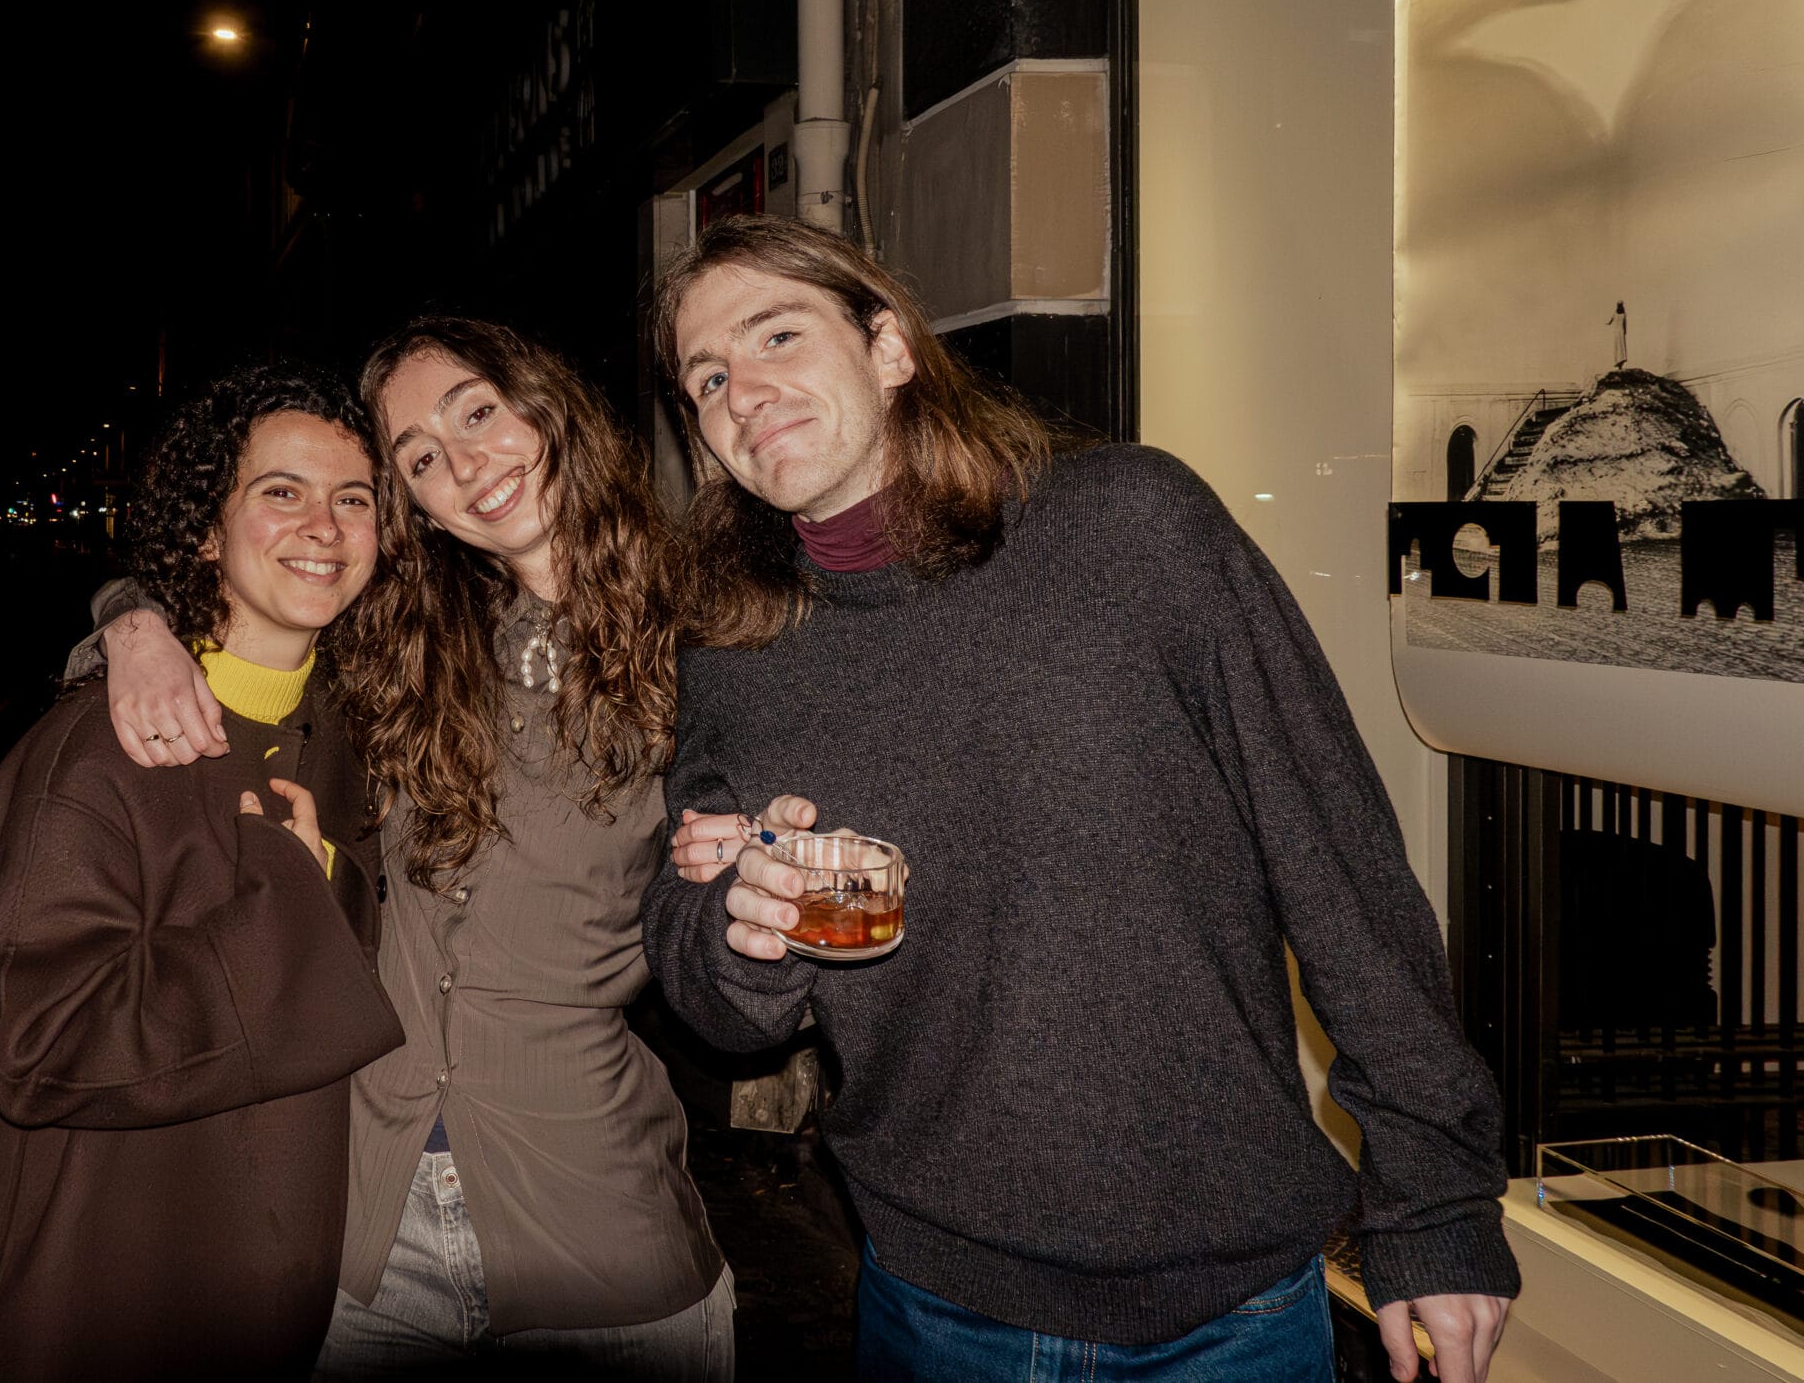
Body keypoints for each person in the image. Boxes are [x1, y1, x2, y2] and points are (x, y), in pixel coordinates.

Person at [642, 214, 1520, 1383]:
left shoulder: (1130, 528)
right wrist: (743, 931)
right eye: (709, 376)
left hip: (1229, 1306)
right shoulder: (734, 645)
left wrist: (1435, 1195)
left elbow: (1339, 862)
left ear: (890, 348)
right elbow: (712, 988)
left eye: (777, 335)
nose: (745, 389)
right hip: (932, 1295)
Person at [89, 316, 733, 1379]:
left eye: (477, 412)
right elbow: (239, 590)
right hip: (363, 1231)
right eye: (420, 458)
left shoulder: (709, 632)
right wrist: (131, 628)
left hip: (594, 1219)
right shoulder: (404, 639)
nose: (463, 464)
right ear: (411, 506)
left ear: (547, 404)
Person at [0, 363, 404, 1382]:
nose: (324, 525)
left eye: (352, 499)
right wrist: (291, 900)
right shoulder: (96, 757)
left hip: (285, 1301)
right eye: (281, 492)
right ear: (203, 532)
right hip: (108, 1303)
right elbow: (40, 1047)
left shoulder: (349, 734)